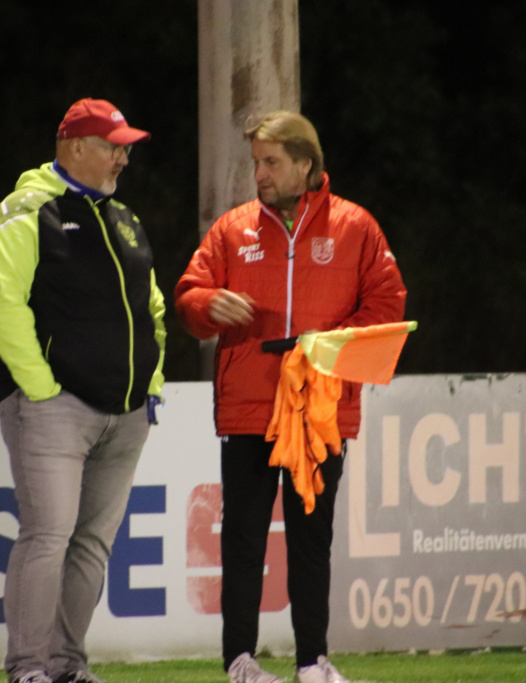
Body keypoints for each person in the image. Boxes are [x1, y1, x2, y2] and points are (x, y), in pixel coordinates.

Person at [174, 111, 406, 683]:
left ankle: (311, 662)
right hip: (249, 407)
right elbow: (188, 295)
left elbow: (387, 304)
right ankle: (240, 661)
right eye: (256, 162)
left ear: (306, 164)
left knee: (310, 542)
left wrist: (324, 349)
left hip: (318, 412)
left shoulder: (355, 227)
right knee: (244, 540)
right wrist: (207, 305)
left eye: (271, 162)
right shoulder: (232, 230)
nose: (259, 173)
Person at [0, 98, 166, 683]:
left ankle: (66, 665)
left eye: (126, 148)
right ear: (76, 147)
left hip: (126, 412)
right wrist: (41, 389)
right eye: (114, 147)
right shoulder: (27, 210)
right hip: (54, 407)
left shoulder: (124, 218)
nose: (123, 159)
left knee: (90, 546)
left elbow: (153, 309)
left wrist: (152, 384)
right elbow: (0, 304)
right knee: (48, 537)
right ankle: (27, 668)